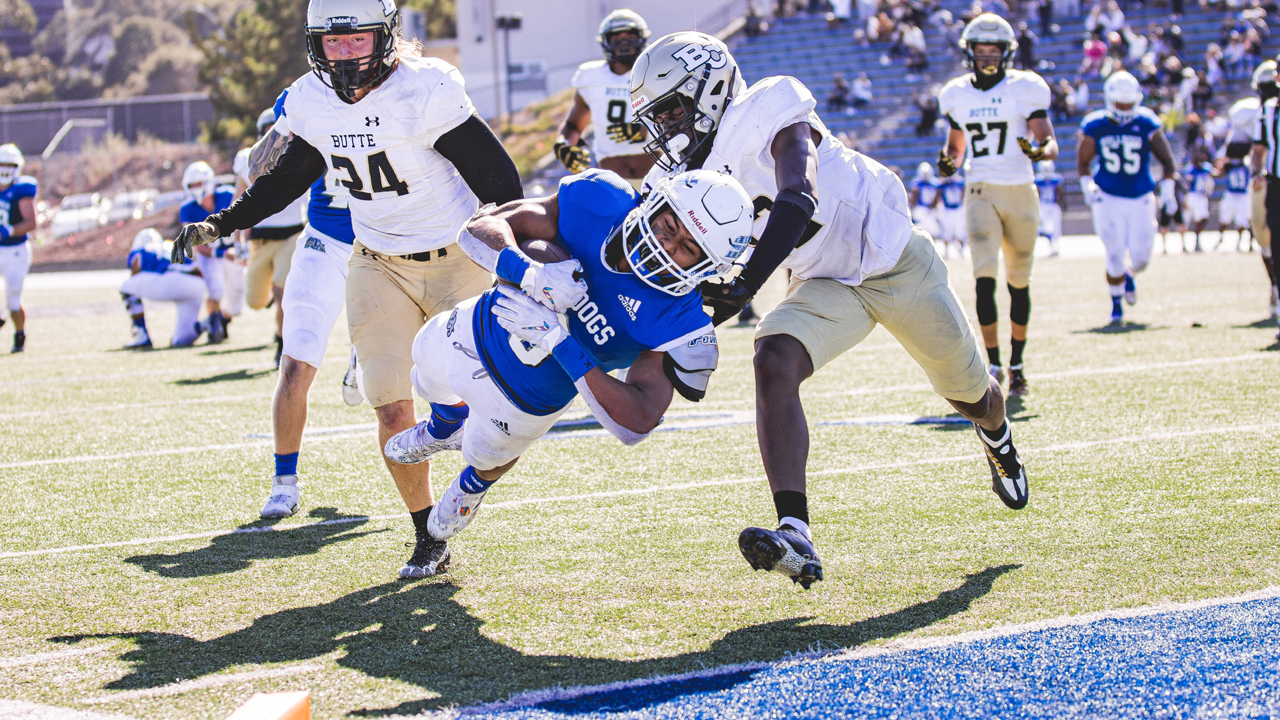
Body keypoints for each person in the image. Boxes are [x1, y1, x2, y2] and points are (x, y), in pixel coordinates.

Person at [631, 31, 1030, 589]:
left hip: (892, 258)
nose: (666, 128)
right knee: (772, 359)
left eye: (672, 110)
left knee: (972, 396)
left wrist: (744, 286)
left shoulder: (767, 103)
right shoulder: (679, 175)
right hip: (823, 279)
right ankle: (796, 532)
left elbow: (799, 193)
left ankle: (998, 439)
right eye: (658, 117)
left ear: (710, 87)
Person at [171, 0, 523, 578]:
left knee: (493, 406)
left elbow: (496, 176)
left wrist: (511, 244)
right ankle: (427, 533)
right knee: (390, 411)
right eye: (331, 42)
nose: (344, 53)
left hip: (457, 257)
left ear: (384, 37)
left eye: (356, 39)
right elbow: (287, 178)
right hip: (377, 261)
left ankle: (467, 474)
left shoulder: (425, 89)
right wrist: (222, 222)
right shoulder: (313, 99)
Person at [385, 169, 751, 545]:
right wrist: (529, 273)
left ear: (705, 268)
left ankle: (474, 484)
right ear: (654, 205)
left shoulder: (678, 319)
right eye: (669, 226)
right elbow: (481, 227)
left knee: (485, 454)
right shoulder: (602, 203)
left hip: (527, 401)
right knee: (425, 367)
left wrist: (560, 342)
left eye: (688, 248)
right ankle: (443, 426)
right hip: (473, 330)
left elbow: (637, 421)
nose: (668, 246)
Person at [237, 86, 364, 519]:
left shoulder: (403, 91)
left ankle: (362, 352)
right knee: (295, 362)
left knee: (395, 380)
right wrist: (289, 122)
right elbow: (258, 168)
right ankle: (284, 482)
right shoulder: (305, 95)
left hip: (387, 244)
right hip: (324, 239)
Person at [938, 13, 1057, 396]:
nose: (988, 57)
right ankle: (993, 362)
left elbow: (1049, 142)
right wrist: (949, 162)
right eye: (981, 50)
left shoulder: (1026, 88)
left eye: (994, 51)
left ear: (1006, 53)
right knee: (984, 276)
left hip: (1021, 189)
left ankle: (1017, 363)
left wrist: (1038, 151)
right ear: (969, 53)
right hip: (981, 188)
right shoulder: (956, 94)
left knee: (1019, 280)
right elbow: (956, 148)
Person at [1077, 71, 1176, 325]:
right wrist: (1087, 184)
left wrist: (1168, 189)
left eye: (1128, 105)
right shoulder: (1095, 124)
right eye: (1120, 104)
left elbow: (1167, 161)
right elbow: (1083, 162)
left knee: (1142, 257)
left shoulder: (1146, 122)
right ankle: (1116, 306)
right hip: (1108, 196)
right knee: (1114, 251)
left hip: (1141, 195)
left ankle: (1129, 275)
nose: (1124, 109)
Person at [233, 107, 307, 368]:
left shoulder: (298, 153)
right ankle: (274, 302)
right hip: (260, 240)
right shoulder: (247, 159)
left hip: (291, 235)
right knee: (255, 301)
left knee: (281, 287)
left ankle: (281, 341)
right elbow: (239, 199)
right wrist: (236, 241)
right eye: (267, 131)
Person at [555, 10, 654, 188]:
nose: (624, 43)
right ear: (606, 42)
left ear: (642, 39)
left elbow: (678, 121)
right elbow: (573, 126)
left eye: (630, 36)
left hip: (656, 177)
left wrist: (645, 130)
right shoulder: (591, 77)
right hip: (611, 182)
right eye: (616, 38)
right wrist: (563, 145)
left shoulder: (654, 72)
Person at [1230, 61, 1278, 317]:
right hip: (1268, 179)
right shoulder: (1257, 113)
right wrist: (1257, 170)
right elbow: (1235, 148)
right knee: (1264, 235)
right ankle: (1275, 285)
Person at [119, 229, 208, 348]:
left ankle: (141, 335)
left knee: (127, 287)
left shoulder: (142, 249)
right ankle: (207, 323)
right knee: (181, 339)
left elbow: (136, 271)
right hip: (198, 283)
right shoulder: (170, 245)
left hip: (173, 279)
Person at [179, 161, 235, 344]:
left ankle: (222, 319)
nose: (196, 189)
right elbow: (197, 246)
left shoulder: (227, 195)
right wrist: (220, 254)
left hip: (232, 249)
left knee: (238, 296)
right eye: (192, 185)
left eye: (199, 184)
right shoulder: (188, 209)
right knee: (216, 289)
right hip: (209, 255)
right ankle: (214, 325)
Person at [0, 143, 35, 354]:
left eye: (9, 165)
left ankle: (19, 333)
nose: (4, 169)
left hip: (15, 250)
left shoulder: (21, 189)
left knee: (13, 299)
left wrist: (8, 230)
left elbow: (31, 222)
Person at [1183, 149, 1215, 253]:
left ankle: (1196, 241)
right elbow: (1186, 185)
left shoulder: (1207, 168)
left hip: (1202, 196)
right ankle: (1185, 244)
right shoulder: (1191, 169)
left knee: (1203, 218)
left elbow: (1215, 174)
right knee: (1188, 220)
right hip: (1193, 195)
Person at [1218, 156, 1253, 251]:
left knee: (1243, 220)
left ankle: (1239, 242)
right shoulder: (1229, 165)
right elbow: (1219, 171)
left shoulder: (1247, 165)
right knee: (1224, 218)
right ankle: (1220, 239)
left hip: (1243, 194)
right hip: (1230, 193)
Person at [1034, 159, 1063, 256]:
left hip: (1053, 205)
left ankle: (1057, 246)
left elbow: (1060, 193)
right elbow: (1036, 194)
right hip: (1043, 205)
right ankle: (1051, 246)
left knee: (1056, 227)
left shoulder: (1056, 179)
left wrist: (1061, 204)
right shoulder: (1038, 180)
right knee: (1047, 228)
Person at [937, 169, 967, 255]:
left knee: (960, 230)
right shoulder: (942, 184)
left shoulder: (960, 183)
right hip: (947, 210)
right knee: (946, 231)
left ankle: (961, 250)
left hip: (958, 209)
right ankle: (946, 251)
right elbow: (938, 196)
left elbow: (963, 195)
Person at [909, 161, 942, 243]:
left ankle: (930, 247)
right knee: (925, 230)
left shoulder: (918, 182)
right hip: (926, 208)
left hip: (922, 208)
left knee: (925, 230)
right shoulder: (935, 182)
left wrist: (912, 208)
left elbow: (914, 197)